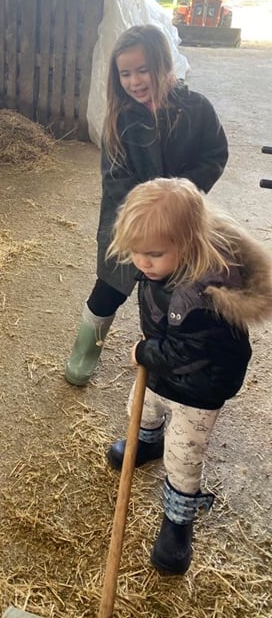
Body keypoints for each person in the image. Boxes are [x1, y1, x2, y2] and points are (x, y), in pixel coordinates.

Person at [105, 177, 272, 575]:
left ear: (189, 243)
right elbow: (164, 326)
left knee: (183, 453)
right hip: (163, 369)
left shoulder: (206, 297)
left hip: (200, 385)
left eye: (154, 254)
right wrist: (152, 349)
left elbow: (190, 351)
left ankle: (179, 520)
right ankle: (147, 443)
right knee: (141, 408)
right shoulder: (161, 266)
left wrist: (145, 351)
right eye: (136, 252)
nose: (142, 262)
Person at [64, 24, 229, 386]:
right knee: (109, 288)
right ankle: (85, 350)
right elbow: (116, 179)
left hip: (182, 223)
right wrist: (149, 210)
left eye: (143, 70)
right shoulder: (120, 121)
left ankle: (167, 358)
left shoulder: (196, 109)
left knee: (174, 294)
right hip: (131, 224)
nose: (135, 81)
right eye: (125, 73)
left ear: (164, 65)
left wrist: (183, 192)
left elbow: (215, 153)